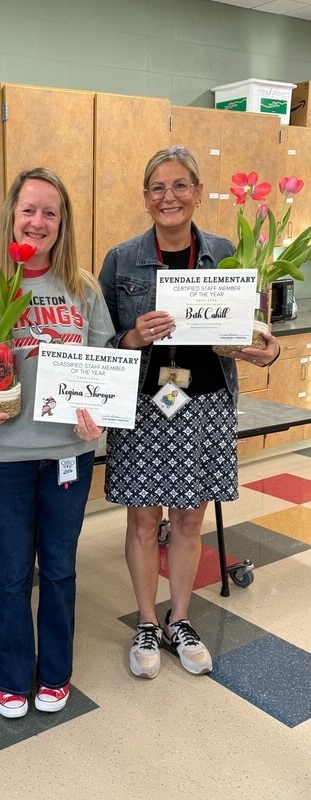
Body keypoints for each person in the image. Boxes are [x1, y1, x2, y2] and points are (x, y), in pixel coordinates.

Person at [98, 145, 280, 680]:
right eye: (158, 187)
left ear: (198, 192)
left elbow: (260, 336)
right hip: (146, 406)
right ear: (145, 197)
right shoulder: (121, 259)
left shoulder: (228, 253)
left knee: (189, 518)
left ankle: (180, 619)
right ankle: (147, 622)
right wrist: (133, 334)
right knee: (143, 518)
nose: (169, 196)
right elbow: (102, 342)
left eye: (180, 186)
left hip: (205, 404)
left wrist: (265, 351)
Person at [0, 167, 115, 718]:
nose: (38, 221)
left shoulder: (84, 289)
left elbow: (105, 368)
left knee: (62, 569)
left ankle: (56, 672)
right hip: (1, 455)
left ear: (62, 221)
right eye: (28, 210)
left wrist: (102, 419)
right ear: (11, 217)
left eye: (50, 212)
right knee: (13, 569)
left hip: (69, 452)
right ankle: (12, 675)